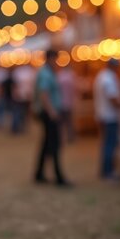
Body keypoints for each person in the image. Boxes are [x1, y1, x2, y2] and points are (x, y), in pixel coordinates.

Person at [33, 50, 71, 187]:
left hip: (48, 112)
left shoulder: (47, 72)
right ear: (50, 58)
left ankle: (39, 173)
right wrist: (52, 111)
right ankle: (59, 176)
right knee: (54, 144)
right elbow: (44, 94)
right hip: (49, 113)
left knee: (47, 144)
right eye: (55, 59)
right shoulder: (46, 73)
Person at [93, 59, 120, 179]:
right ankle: (108, 171)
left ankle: (105, 170)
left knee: (106, 143)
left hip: (102, 114)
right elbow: (113, 98)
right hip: (109, 116)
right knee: (110, 144)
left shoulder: (101, 76)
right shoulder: (109, 79)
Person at [11, 64, 35, 134]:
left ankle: (19, 127)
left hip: (23, 96)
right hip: (22, 96)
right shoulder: (29, 72)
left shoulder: (18, 72)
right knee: (21, 113)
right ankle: (19, 127)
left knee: (21, 113)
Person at [57, 65, 77, 144]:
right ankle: (70, 137)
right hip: (69, 103)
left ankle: (61, 138)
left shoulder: (59, 76)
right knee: (69, 122)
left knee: (61, 123)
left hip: (60, 103)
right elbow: (75, 90)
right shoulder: (71, 76)